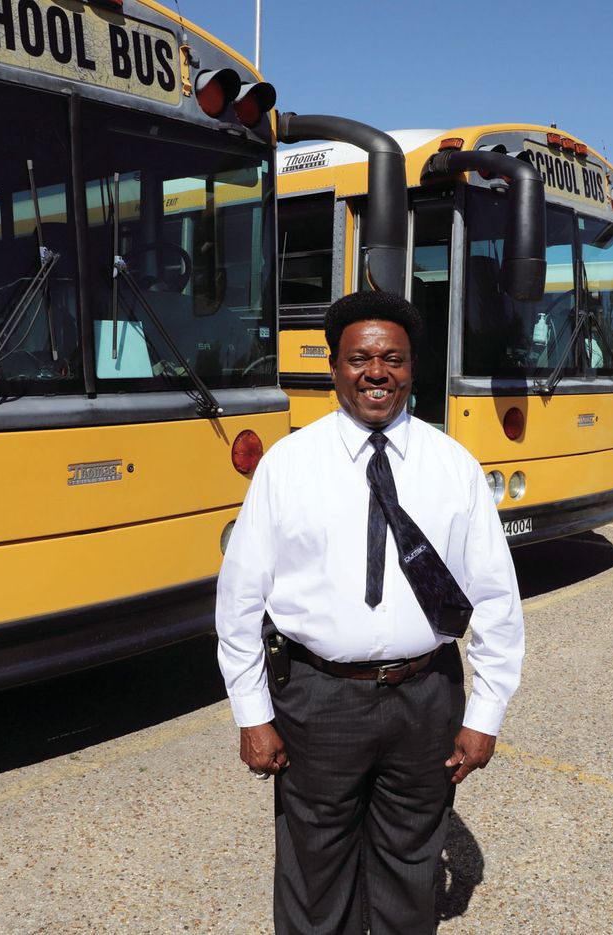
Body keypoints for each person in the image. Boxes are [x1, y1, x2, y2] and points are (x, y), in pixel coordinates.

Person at [215, 290, 525, 935]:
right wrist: (252, 715)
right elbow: (240, 601)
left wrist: (485, 715)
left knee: (410, 869)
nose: (377, 373)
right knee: (314, 872)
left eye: (394, 359)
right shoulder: (287, 466)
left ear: (413, 368)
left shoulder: (455, 467)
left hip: (427, 697)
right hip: (318, 698)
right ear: (334, 367)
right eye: (360, 359)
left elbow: (497, 600)